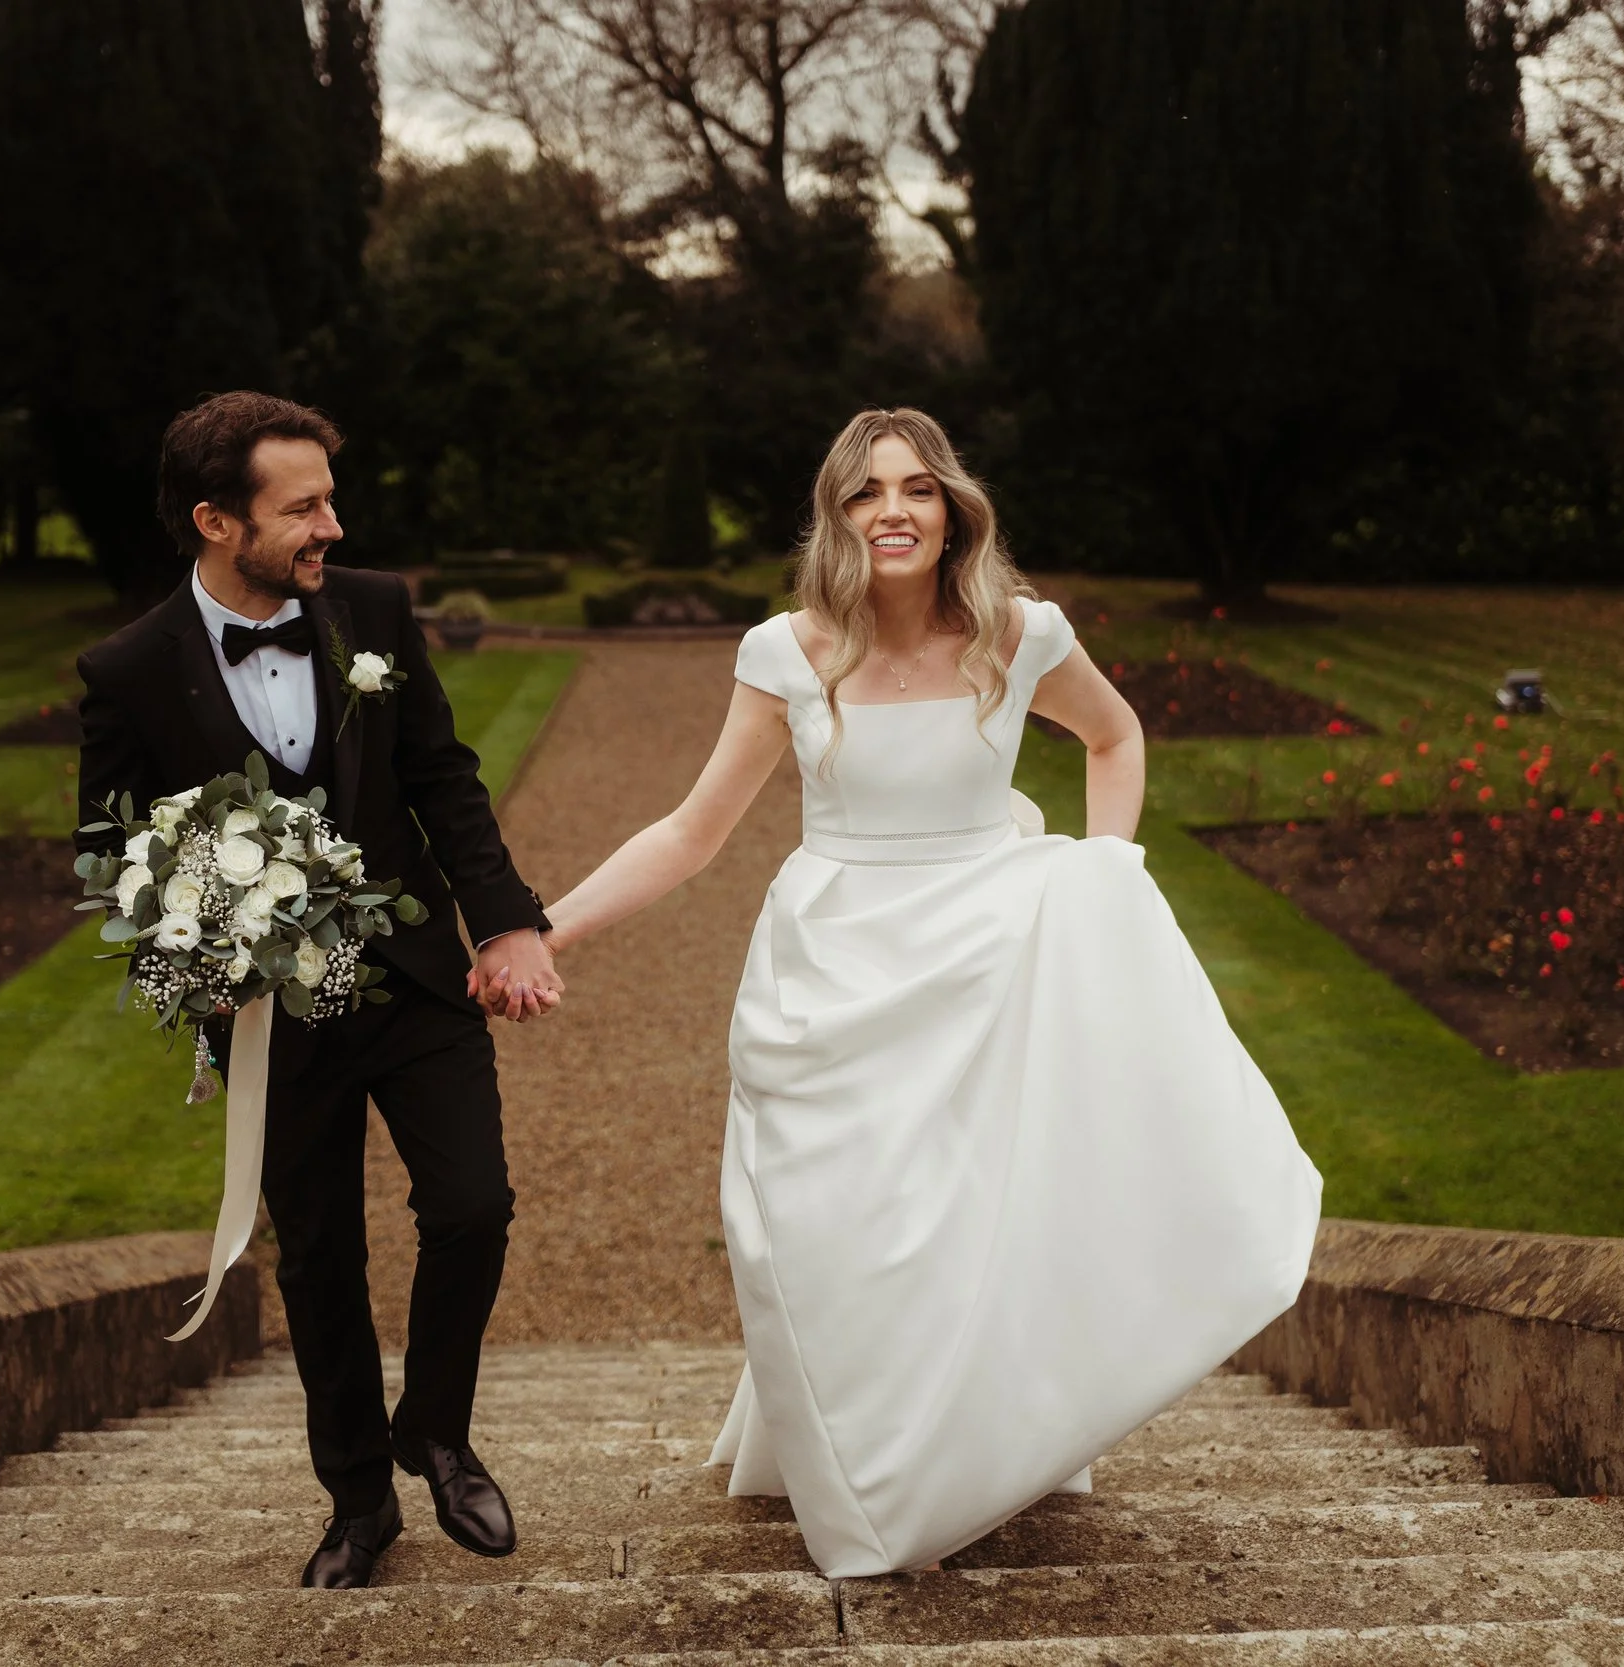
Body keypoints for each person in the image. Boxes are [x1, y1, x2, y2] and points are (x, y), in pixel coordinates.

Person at [526, 407, 1323, 1577]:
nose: (891, 510)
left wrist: (1102, 870)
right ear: (834, 517)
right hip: (831, 963)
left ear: (952, 508)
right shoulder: (784, 650)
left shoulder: (1020, 631)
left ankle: (948, 1471)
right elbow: (695, 830)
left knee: (966, 1222)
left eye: (915, 489)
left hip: (984, 951)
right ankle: (858, 1452)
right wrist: (541, 928)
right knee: (821, 1224)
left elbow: (1115, 736)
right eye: (864, 492)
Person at [73, 391, 564, 1590]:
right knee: (318, 1261)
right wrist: (198, 937)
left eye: (329, 499)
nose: (331, 526)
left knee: (472, 1205)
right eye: (302, 506)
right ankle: (358, 1502)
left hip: (411, 976)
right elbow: (108, 844)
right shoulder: (130, 667)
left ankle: (435, 1428)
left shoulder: (374, 610)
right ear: (214, 520)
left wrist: (505, 922)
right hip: (270, 1013)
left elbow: (443, 776)